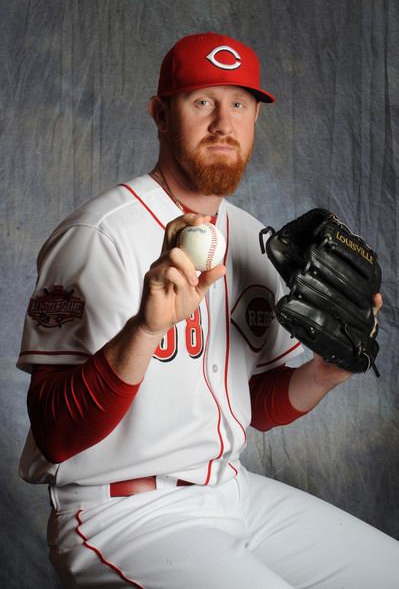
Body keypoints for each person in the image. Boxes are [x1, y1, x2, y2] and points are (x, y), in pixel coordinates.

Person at [17, 32, 398, 588]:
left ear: (255, 120)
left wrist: (326, 373)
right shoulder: (98, 235)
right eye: (202, 101)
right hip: (123, 514)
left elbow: (254, 407)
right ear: (160, 115)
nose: (224, 122)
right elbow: (54, 433)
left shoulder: (252, 240)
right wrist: (145, 330)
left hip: (232, 490)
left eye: (239, 104)